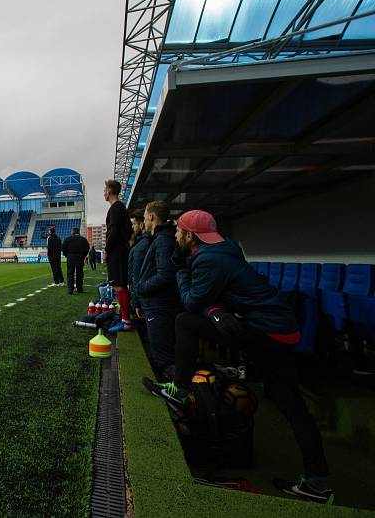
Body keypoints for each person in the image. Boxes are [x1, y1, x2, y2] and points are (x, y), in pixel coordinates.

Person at [141, 210, 333, 504]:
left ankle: (178, 390)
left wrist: (181, 272)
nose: (175, 236)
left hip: (267, 332)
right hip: (277, 330)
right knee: (292, 406)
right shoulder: (221, 251)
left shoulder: (207, 260)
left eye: (179, 232)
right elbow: (215, 300)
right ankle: (318, 482)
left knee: (184, 321)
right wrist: (214, 311)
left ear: (190, 236)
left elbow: (193, 302)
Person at [133, 201, 181, 375]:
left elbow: (165, 275)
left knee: (163, 355)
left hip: (159, 305)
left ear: (152, 216)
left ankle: (173, 392)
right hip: (156, 304)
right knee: (160, 351)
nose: (144, 220)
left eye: (145, 216)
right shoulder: (161, 238)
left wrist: (141, 288)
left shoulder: (163, 240)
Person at [104, 179, 133, 332]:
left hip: (117, 252)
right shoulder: (121, 208)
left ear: (109, 191)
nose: (103, 193)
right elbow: (128, 231)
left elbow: (113, 231)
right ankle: (124, 317)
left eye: (104, 190)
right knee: (120, 285)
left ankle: (126, 321)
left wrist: (107, 249)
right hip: (120, 250)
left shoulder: (116, 208)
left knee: (119, 286)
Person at [127, 209, 150, 321]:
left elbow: (136, 276)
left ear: (141, 224)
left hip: (142, 299)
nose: (132, 227)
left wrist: (136, 303)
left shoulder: (141, 246)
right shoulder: (143, 243)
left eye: (133, 224)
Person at [62, 227, 90, 295]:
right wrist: (83, 255)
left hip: (70, 257)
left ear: (72, 232)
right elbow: (87, 248)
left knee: (70, 274)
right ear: (78, 232)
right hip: (80, 257)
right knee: (79, 274)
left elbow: (63, 248)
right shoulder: (83, 239)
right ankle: (80, 289)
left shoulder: (67, 239)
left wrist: (67, 255)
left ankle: (70, 290)